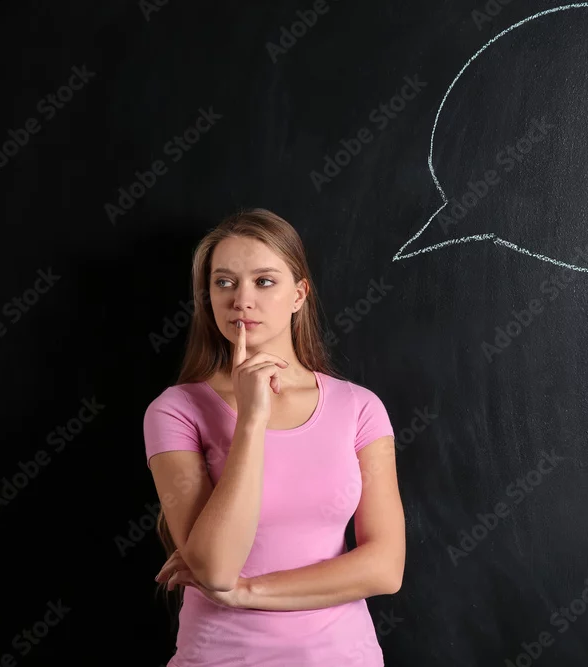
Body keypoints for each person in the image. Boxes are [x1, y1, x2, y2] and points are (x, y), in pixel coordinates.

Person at [142, 208, 405, 666]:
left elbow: (385, 568)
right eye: (224, 282)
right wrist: (251, 420)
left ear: (299, 294)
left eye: (264, 281)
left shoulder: (359, 408)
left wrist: (246, 592)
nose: (242, 300)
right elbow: (215, 568)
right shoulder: (175, 410)